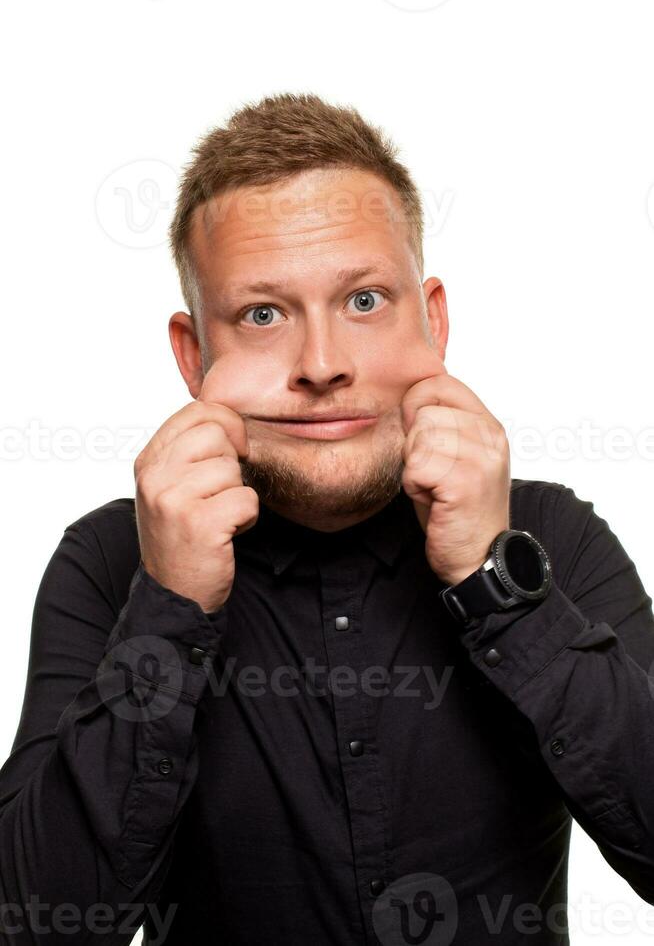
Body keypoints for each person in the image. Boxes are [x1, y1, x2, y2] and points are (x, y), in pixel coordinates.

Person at [1, 92, 653, 946]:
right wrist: (168, 608)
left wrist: (499, 588)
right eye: (262, 314)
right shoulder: (112, 558)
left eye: (364, 302)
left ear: (435, 321)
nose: (321, 365)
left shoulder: (547, 539)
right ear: (195, 356)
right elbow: (31, 925)